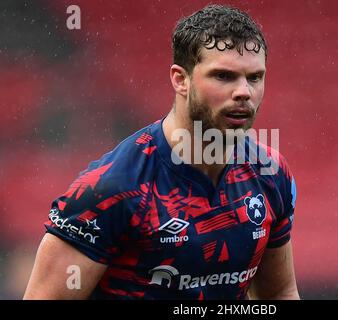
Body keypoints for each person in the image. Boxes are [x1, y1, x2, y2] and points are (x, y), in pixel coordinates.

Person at [24, 4, 299, 300]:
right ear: (181, 79)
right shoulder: (110, 190)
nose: (244, 91)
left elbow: (280, 293)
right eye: (223, 76)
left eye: (254, 77)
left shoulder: (269, 172)